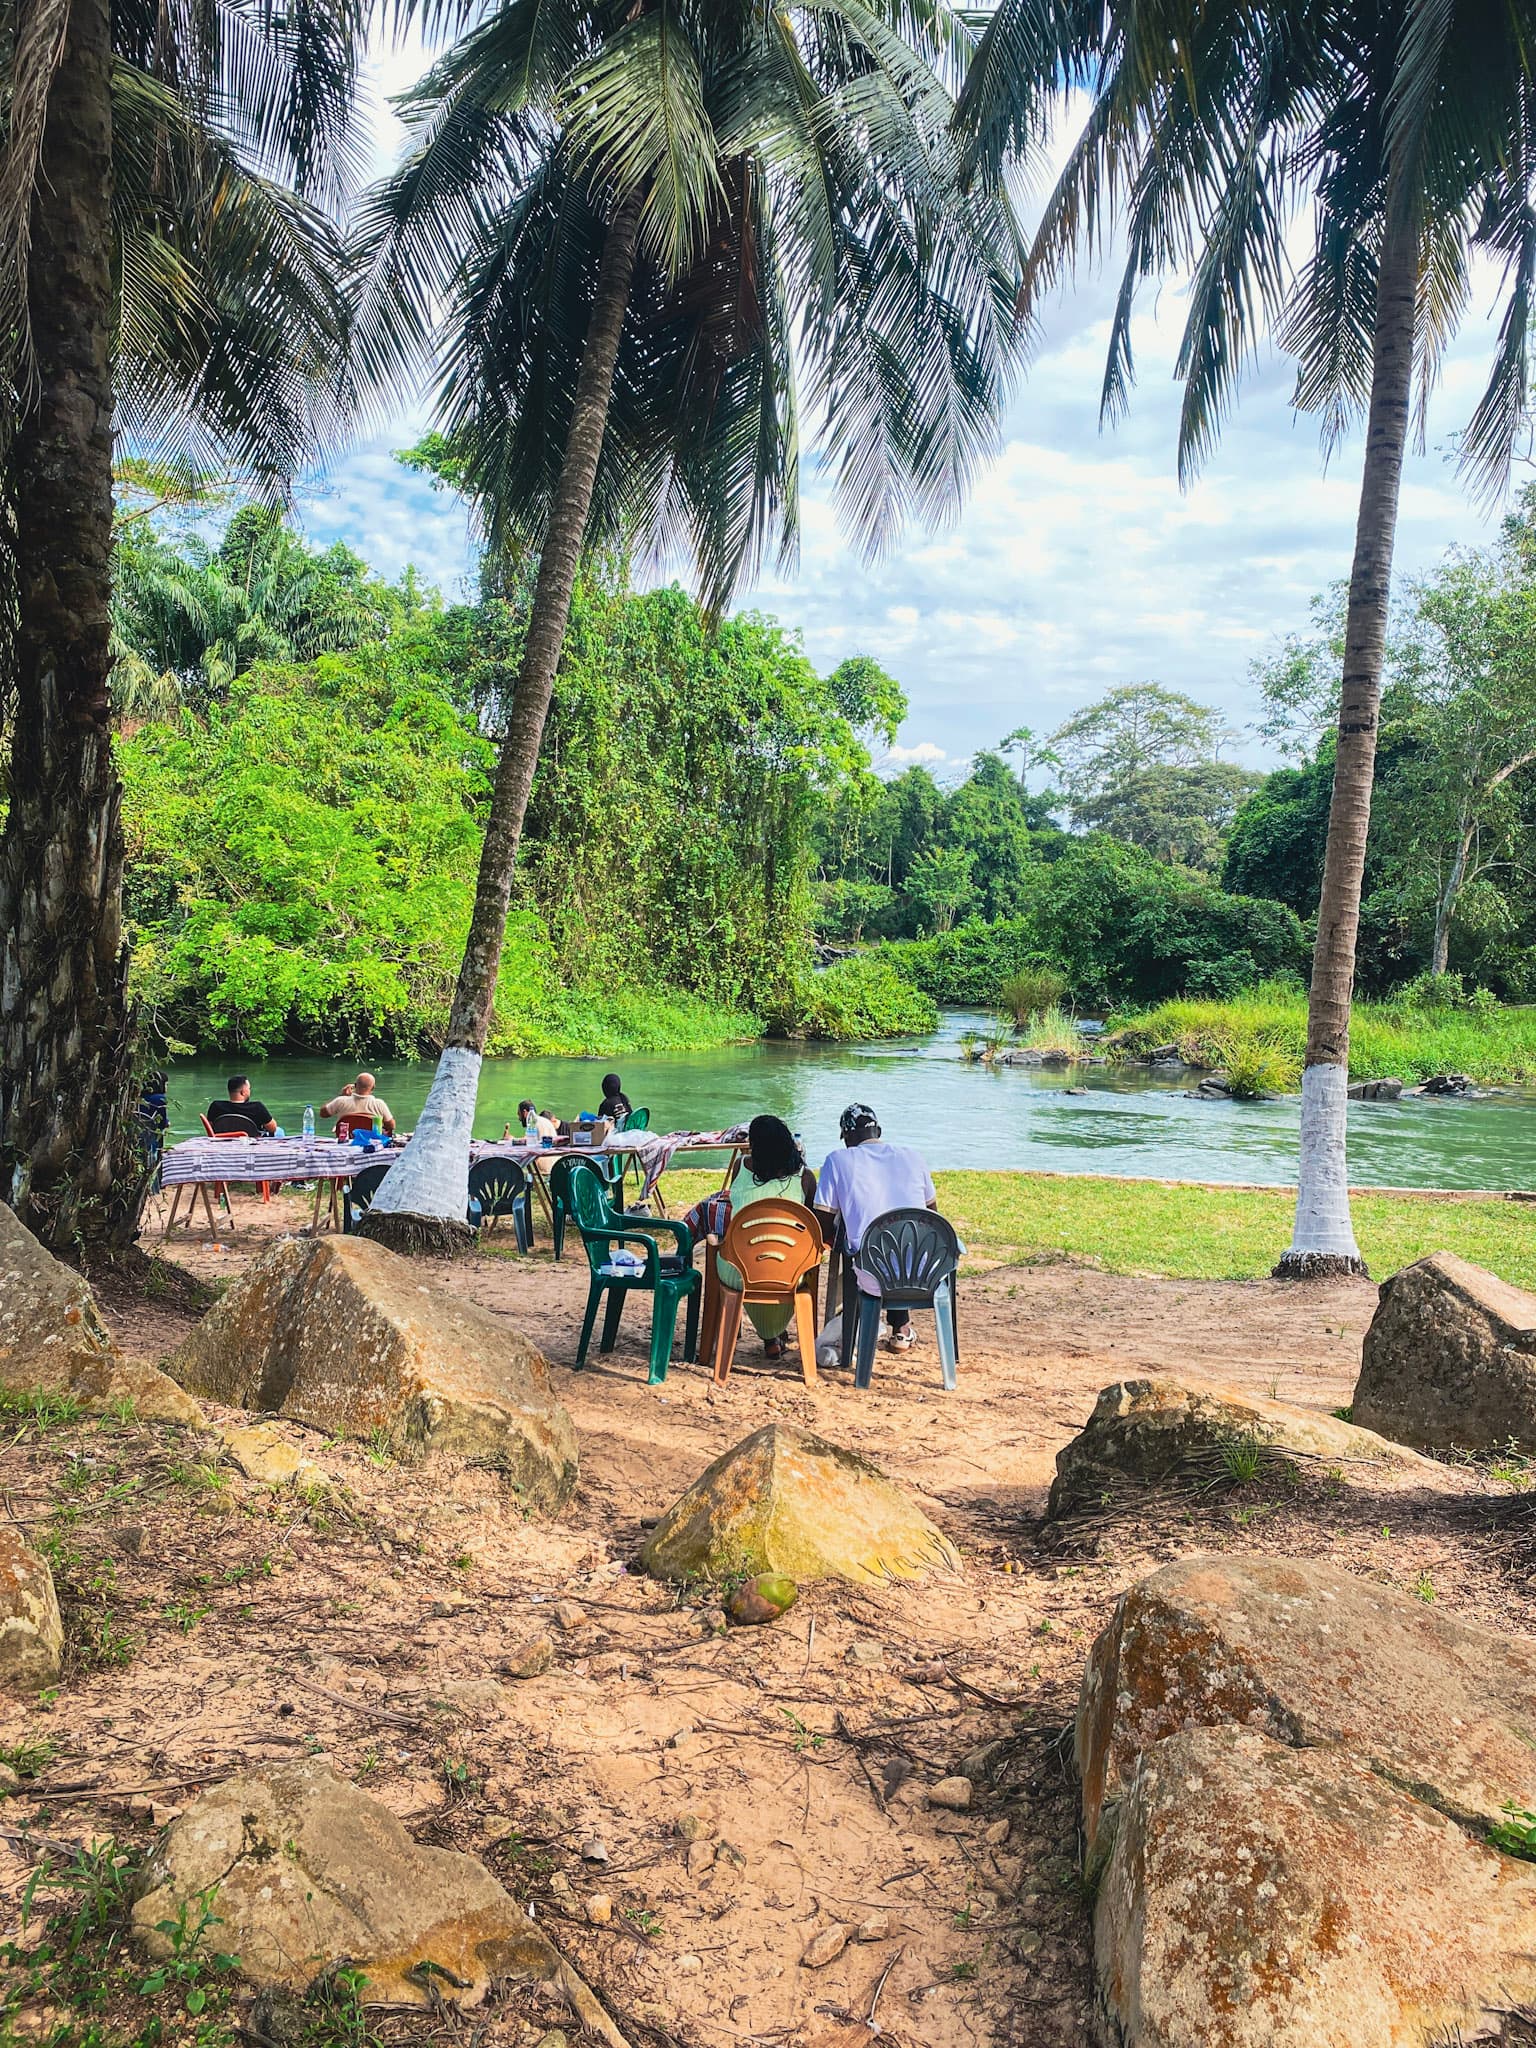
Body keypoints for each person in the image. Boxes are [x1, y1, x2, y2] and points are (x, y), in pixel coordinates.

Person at [686, 1115, 817, 1360]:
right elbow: (810, 1226)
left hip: (740, 1272)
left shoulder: (741, 1168)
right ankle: (772, 1336)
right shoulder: (806, 1178)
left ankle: (760, 1337)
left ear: (756, 1146)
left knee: (741, 1250)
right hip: (789, 1274)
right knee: (775, 1258)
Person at [816, 1102, 936, 1351]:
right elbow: (932, 1214)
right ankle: (901, 1328)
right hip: (924, 1272)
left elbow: (823, 1220)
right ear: (878, 1132)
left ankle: (852, 1325)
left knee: (863, 1242)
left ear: (846, 1136)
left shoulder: (838, 1160)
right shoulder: (913, 1156)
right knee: (901, 1238)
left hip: (872, 1272)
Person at [321, 1073, 395, 1136]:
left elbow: (323, 1113)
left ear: (355, 1085)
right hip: (371, 1142)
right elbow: (391, 1126)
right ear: (373, 1088)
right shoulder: (379, 1104)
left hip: (346, 1141)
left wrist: (341, 1095)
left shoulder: (341, 1101)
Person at [207, 1076, 276, 1137]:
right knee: (279, 1131)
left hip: (224, 1142)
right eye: (249, 1088)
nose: (249, 1091)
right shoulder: (257, 1107)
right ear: (243, 1092)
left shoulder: (216, 1106)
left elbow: (210, 1128)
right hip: (252, 1144)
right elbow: (273, 1128)